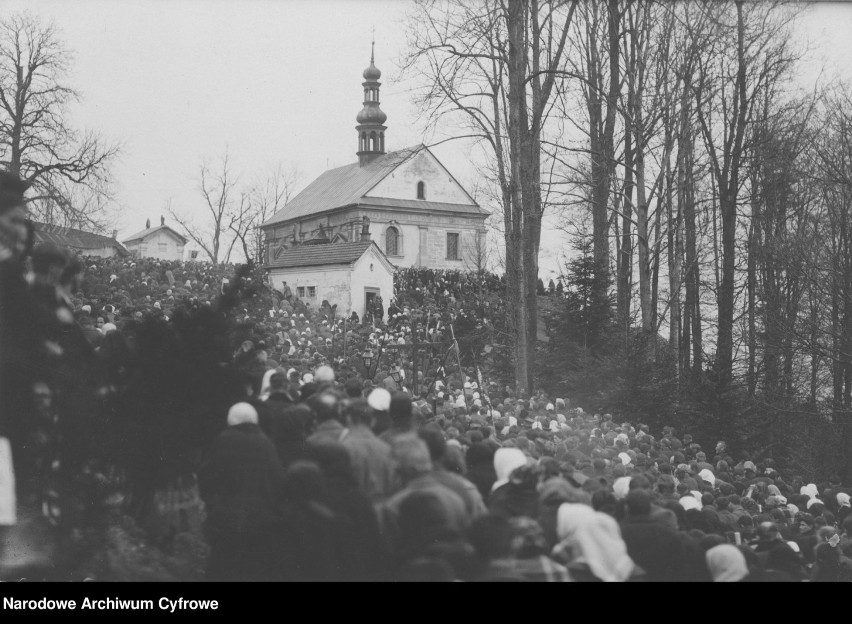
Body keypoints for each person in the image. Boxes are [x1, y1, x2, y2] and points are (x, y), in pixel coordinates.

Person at [198, 403, 284, 580]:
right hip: (260, 518)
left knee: (222, 565)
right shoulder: (267, 444)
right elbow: (277, 480)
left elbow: (207, 476)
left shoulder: (224, 440)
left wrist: (210, 503)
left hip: (225, 516)